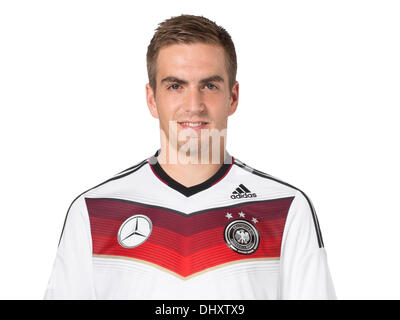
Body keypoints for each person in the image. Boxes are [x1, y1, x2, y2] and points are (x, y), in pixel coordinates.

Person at [44, 14, 336, 300]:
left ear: (232, 97)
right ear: (151, 99)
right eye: (175, 86)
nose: (194, 105)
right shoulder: (95, 211)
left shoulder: (285, 208)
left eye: (209, 86)